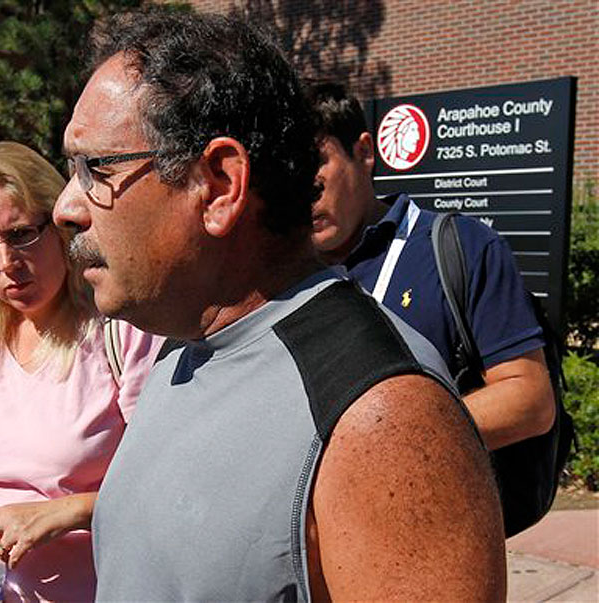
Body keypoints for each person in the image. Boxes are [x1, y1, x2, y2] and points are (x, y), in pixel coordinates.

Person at [53, 10, 506, 601]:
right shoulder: (185, 345)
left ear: (218, 185)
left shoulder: (384, 418)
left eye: (96, 169)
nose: (66, 206)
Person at [0, 141, 162, 602]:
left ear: (60, 223)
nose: (7, 264)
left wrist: (66, 512)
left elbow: (169, 485)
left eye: (22, 233)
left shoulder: (120, 332)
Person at [311, 89, 555, 453]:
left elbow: (529, 399)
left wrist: (380, 444)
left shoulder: (463, 246)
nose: (301, 195)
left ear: (363, 152)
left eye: (316, 168)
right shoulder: (275, 269)